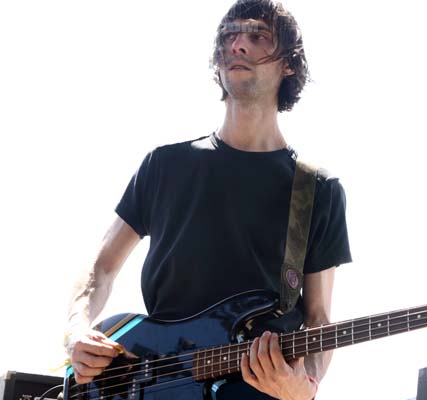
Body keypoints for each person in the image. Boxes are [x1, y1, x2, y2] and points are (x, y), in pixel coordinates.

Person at [64, 1, 352, 399]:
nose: (238, 45)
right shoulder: (164, 166)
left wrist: (304, 388)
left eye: (256, 36)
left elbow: (319, 319)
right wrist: (78, 330)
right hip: (147, 385)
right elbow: (101, 269)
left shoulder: (316, 188)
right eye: (228, 36)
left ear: (289, 64)